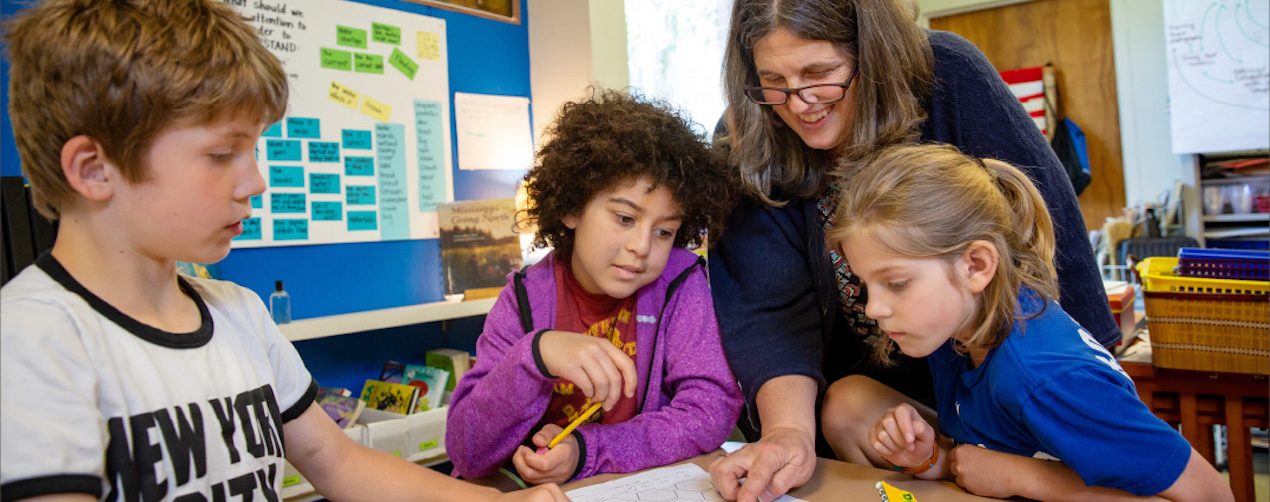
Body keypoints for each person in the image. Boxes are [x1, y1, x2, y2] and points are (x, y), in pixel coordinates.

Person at [0, 1, 566, 501]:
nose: (256, 181)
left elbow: (339, 463)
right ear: (94, 169)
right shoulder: (30, 341)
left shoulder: (239, 313)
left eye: (255, 149)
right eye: (222, 154)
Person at [706, 0, 1121, 500]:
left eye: (821, 72)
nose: (798, 103)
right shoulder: (746, 132)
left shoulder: (949, 74)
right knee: (849, 407)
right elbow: (766, 313)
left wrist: (1087, 396)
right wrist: (786, 433)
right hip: (899, 423)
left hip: (1009, 389)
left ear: (873, 51)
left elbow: (1054, 248)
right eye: (774, 80)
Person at [826, 144, 1232, 500]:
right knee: (848, 401)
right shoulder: (964, 326)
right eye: (867, 285)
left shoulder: (1046, 376)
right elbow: (976, 460)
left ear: (976, 265)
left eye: (896, 283)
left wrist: (1025, 478)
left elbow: (1210, 495)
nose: (874, 308)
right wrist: (927, 456)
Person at [446, 90, 743, 485]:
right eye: (624, 217)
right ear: (572, 208)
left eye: (664, 231)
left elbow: (711, 410)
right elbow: (467, 451)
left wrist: (588, 450)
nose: (641, 247)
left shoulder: (681, 284)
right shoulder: (523, 298)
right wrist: (535, 355)